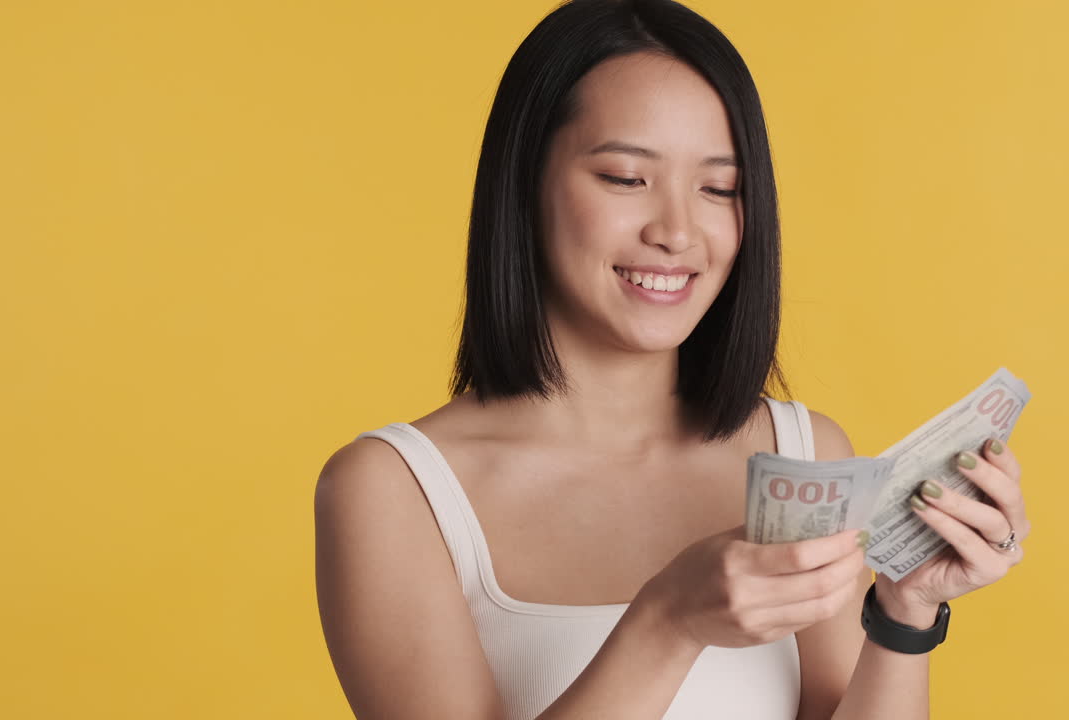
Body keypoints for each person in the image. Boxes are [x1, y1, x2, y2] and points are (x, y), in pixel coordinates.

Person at [313, 1, 1031, 718]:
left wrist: (905, 613)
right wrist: (667, 621)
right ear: (525, 183)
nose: (677, 232)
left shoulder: (802, 454)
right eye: (627, 178)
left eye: (719, 189)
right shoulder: (394, 491)